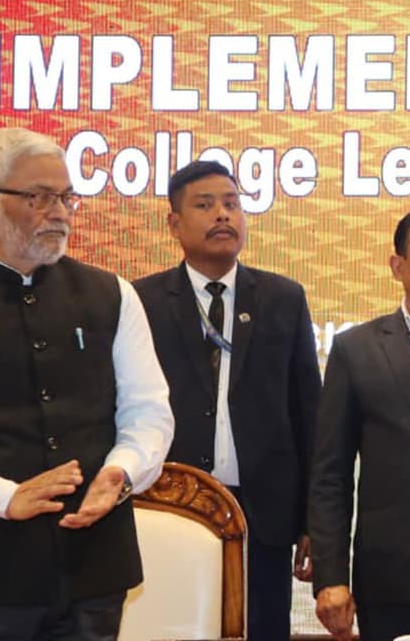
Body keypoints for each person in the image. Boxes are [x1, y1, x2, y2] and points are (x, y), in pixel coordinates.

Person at [0, 127, 174, 640]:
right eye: (39, 197)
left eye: (66, 197)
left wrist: (122, 471)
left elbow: (149, 413)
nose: (59, 213)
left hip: (94, 573)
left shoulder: (112, 294)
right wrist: (6, 497)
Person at [134, 161, 321, 641]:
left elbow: (308, 416)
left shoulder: (283, 298)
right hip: (169, 504)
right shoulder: (141, 301)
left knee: (260, 628)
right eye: (205, 205)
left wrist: (312, 522)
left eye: (232, 204)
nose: (223, 214)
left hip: (264, 512)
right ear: (174, 223)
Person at [309, 209, 410, 641]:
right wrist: (330, 577)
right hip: (392, 577)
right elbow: (331, 475)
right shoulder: (357, 349)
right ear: (397, 266)